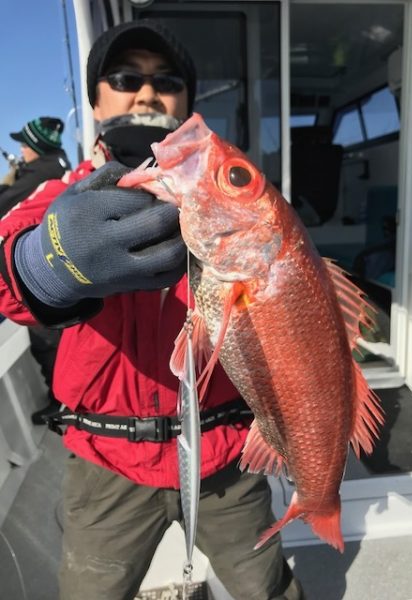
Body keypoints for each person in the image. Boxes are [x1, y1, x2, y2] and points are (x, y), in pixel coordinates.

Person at [0, 20, 304, 600]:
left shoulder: (238, 198)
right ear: (95, 99)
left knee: (269, 589)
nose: (147, 92)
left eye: (167, 81)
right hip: (106, 465)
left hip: (229, 462)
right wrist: (44, 261)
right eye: (124, 77)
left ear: (187, 99)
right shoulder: (62, 194)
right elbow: (6, 261)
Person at [0, 117, 71, 424]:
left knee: (47, 343)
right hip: (54, 269)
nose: (20, 149)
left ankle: (65, 406)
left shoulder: (40, 173)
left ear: (35, 147)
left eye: (24, 144)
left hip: (39, 275)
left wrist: (8, 182)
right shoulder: (56, 166)